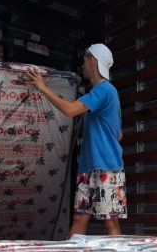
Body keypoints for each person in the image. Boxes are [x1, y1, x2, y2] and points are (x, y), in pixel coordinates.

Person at [26, 43, 126, 236]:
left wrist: (42, 88)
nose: (82, 65)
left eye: (84, 61)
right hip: (88, 166)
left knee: (110, 222)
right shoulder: (105, 93)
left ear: (93, 61)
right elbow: (119, 133)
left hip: (106, 166)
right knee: (80, 218)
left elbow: (71, 110)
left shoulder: (104, 90)